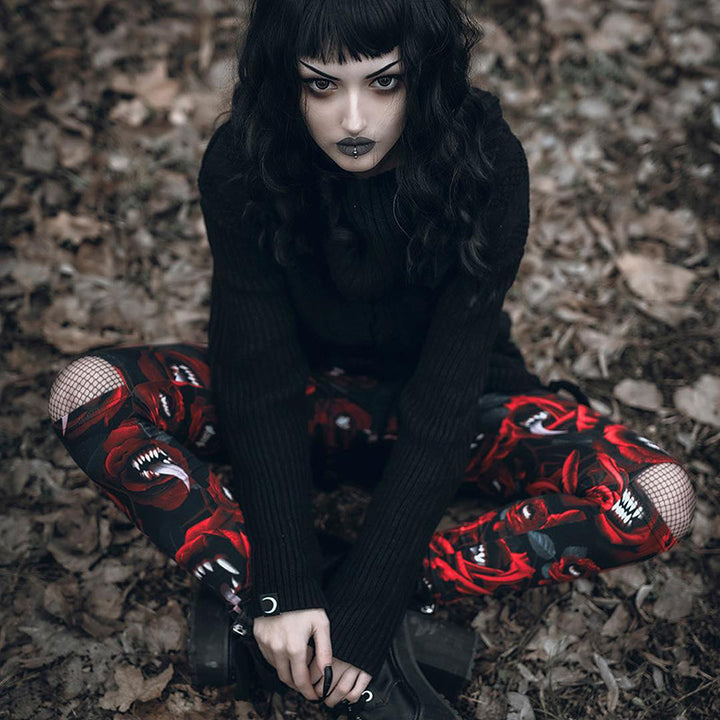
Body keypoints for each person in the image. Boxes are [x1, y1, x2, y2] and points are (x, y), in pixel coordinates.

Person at [47, 0, 696, 716]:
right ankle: (280, 604)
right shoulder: (244, 158)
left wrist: (367, 607)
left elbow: (444, 403)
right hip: (302, 399)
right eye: (321, 85)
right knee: (87, 390)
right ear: (285, 80)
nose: (353, 120)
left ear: (424, 74)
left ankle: (352, 600)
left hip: (458, 412)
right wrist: (282, 587)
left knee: (657, 496)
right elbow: (257, 380)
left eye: (384, 82)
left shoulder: (485, 161)